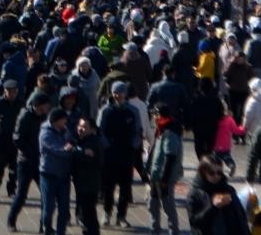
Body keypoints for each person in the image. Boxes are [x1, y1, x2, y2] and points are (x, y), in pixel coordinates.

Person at [98, 80, 139, 228]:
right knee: (109, 187)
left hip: (127, 154)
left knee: (125, 187)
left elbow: (137, 131)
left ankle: (122, 216)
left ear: (125, 94)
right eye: (115, 92)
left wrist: (134, 146)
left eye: (121, 92)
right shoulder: (106, 111)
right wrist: (107, 146)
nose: (118, 95)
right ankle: (107, 212)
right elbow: (99, 130)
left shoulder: (133, 111)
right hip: (110, 154)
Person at [7, 92, 49, 231]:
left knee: (45, 194)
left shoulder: (44, 117)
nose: (47, 109)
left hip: (40, 161)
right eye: (45, 106)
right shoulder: (25, 116)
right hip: (25, 161)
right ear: (38, 105)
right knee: (21, 194)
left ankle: (44, 224)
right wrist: (31, 151)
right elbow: (17, 138)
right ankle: (11, 221)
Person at [186, 155, 250, 235]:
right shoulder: (195, 194)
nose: (216, 176)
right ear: (203, 173)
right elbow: (195, 222)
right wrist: (213, 207)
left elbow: (240, 217)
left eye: (219, 172)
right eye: (211, 173)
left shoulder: (228, 190)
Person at [146, 104, 183, 235]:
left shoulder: (170, 131)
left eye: (155, 114)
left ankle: (174, 231)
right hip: (156, 174)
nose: (153, 117)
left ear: (160, 115)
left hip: (164, 176)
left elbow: (170, 156)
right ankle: (154, 230)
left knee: (168, 206)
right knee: (153, 203)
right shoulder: (161, 129)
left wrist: (165, 179)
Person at [39, 108, 74, 235]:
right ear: (56, 121)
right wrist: (68, 149)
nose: (66, 121)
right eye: (63, 119)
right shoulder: (46, 134)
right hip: (49, 175)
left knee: (64, 209)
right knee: (49, 209)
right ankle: (47, 228)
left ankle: (61, 232)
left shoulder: (64, 130)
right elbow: (58, 151)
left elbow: (70, 142)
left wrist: (70, 146)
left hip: (64, 175)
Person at [0, 79, 22, 197]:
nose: (12, 94)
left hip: (15, 140)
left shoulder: (20, 103)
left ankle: (11, 189)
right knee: (0, 165)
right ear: (5, 91)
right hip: (2, 139)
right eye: (9, 91)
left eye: (14, 92)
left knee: (14, 167)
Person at [72, 117, 103, 235]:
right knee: (84, 213)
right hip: (81, 183)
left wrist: (75, 151)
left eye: (84, 127)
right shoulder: (81, 140)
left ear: (92, 129)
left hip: (90, 183)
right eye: (79, 126)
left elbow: (89, 159)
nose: (80, 129)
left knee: (88, 213)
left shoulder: (94, 142)